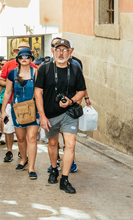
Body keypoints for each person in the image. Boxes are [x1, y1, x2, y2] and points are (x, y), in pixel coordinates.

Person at [35, 38, 86, 194]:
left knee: (70, 144)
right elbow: (38, 93)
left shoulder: (76, 70)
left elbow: (82, 91)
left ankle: (65, 179)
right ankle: (54, 169)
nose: (61, 53)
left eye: (65, 50)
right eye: (58, 50)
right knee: (52, 144)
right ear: (53, 51)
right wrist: (42, 116)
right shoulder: (45, 69)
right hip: (50, 114)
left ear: (70, 52)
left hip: (69, 113)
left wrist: (71, 100)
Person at [1, 48, 40, 179]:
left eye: (27, 56)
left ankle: (31, 168)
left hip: (33, 109)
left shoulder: (36, 73)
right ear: (17, 59)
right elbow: (7, 93)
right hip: (17, 109)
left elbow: (40, 93)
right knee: (21, 138)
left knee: (31, 138)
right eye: (21, 56)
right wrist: (3, 111)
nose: (24, 58)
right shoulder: (12, 74)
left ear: (31, 59)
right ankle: (24, 159)